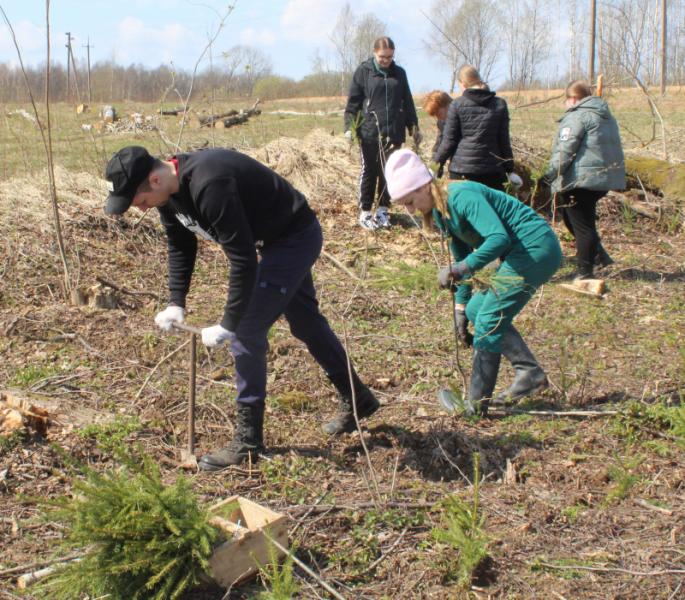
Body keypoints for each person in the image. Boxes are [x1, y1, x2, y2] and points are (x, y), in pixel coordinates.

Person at [103, 146, 379, 469]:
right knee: (305, 323)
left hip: (295, 238)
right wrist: (175, 302)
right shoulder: (167, 195)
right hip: (274, 243)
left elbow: (243, 259)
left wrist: (228, 322)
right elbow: (180, 245)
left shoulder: (209, 183)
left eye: (137, 200)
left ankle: (249, 441)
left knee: (247, 329)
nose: (138, 208)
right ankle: (358, 397)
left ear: (153, 178)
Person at [384, 149, 562, 415]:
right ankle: (530, 374)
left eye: (410, 201)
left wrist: (460, 269)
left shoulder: (462, 195)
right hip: (519, 252)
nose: (410, 210)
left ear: (424, 186)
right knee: (477, 310)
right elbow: (462, 256)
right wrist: (460, 308)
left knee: (489, 318)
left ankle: (476, 406)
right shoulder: (442, 212)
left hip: (535, 247)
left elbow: (497, 238)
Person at [545, 80, 625, 279]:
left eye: (566, 100)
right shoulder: (606, 116)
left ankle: (585, 273)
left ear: (572, 99)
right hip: (602, 178)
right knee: (572, 219)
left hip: (582, 180)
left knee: (583, 226)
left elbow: (564, 151)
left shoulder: (577, 116)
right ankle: (600, 256)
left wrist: (549, 175)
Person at [344, 36, 421, 231]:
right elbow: (353, 103)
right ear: (374, 53)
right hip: (370, 131)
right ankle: (366, 211)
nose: (386, 60)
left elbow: (408, 101)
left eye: (389, 57)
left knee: (389, 171)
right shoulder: (364, 72)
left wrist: (413, 126)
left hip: (394, 131)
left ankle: (383, 210)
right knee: (369, 170)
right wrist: (350, 127)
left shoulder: (399, 73)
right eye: (382, 57)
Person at [432, 65, 515, 192]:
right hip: (493, 171)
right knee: (492, 210)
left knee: (464, 210)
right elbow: (504, 141)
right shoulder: (500, 104)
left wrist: (435, 166)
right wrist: (510, 170)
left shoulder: (457, 105)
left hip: (463, 172)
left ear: (463, 83)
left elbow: (449, 141)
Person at [422, 90, 453, 176]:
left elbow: (448, 144)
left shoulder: (462, 116)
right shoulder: (442, 122)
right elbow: (439, 143)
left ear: (447, 105)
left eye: (438, 113)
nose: (438, 117)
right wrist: (434, 166)